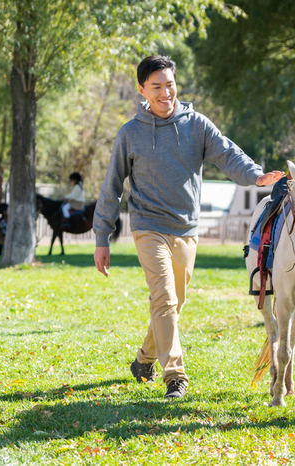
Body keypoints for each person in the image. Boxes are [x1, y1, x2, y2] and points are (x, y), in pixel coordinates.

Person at [92, 55, 284, 399]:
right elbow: (111, 187)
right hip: (147, 225)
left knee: (173, 302)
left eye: (170, 84)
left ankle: (144, 358)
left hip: (186, 229)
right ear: (142, 90)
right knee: (164, 296)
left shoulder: (196, 125)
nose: (166, 92)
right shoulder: (130, 134)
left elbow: (228, 154)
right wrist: (101, 237)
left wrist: (256, 175)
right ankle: (175, 375)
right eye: (157, 87)